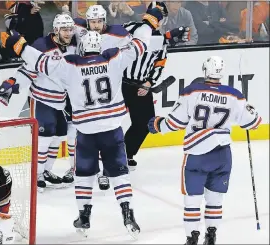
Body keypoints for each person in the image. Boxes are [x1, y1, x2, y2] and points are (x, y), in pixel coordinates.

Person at [0, 5, 165, 238]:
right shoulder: (114, 60)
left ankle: (84, 216)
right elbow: (140, 45)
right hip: (112, 129)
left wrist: (19, 44)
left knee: (83, 175)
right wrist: (149, 22)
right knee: (120, 174)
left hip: (86, 131)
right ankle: (128, 213)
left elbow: (38, 62)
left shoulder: (70, 66)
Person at [147, 56, 262, 245]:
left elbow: (175, 123)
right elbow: (253, 122)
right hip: (223, 155)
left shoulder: (192, 91)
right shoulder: (234, 95)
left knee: (192, 200)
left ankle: (192, 238)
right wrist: (252, 111)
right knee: (215, 199)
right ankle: (211, 236)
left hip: (197, 153)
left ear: (204, 70)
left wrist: (158, 125)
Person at [0, 13, 77, 191]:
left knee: (59, 135)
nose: (68, 33)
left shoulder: (73, 46)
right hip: (41, 98)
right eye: (64, 29)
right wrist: (13, 83)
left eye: (70, 29)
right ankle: (36, 175)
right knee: (44, 137)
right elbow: (28, 70)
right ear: (55, 30)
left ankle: (46, 171)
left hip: (61, 101)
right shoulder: (41, 45)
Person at [121, 1, 190, 170]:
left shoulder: (161, 41)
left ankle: (125, 154)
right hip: (119, 83)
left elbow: (159, 64)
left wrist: (149, 82)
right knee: (110, 122)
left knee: (145, 124)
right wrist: (167, 36)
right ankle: (110, 155)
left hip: (141, 87)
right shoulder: (131, 27)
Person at [72, 4, 133, 190]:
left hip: (111, 85)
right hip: (85, 86)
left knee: (112, 128)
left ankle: (108, 169)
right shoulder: (79, 28)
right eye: (92, 21)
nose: (96, 25)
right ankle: (92, 170)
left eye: (99, 21)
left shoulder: (119, 34)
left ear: (104, 21)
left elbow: (131, 51)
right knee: (91, 132)